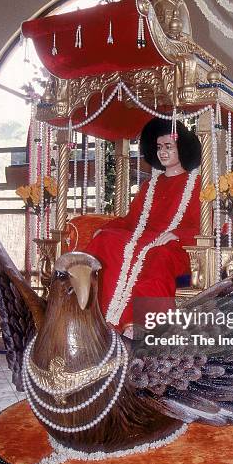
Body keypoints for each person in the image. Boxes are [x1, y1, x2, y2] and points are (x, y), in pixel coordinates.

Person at [85, 117, 201, 331]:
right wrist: (105, 229)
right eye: (158, 147)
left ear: (182, 148)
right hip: (142, 238)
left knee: (158, 256)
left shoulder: (197, 184)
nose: (162, 152)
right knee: (106, 240)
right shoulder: (150, 186)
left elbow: (204, 226)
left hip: (177, 247)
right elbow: (132, 220)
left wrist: (179, 235)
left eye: (169, 147)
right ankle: (93, 318)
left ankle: (141, 326)